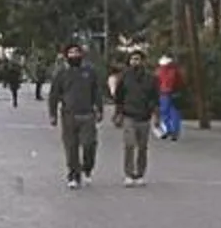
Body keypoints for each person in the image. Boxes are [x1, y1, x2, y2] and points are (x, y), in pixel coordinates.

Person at [47, 42, 105, 189]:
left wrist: (99, 109)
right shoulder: (61, 73)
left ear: (81, 54)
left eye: (76, 52)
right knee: (71, 147)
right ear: (67, 55)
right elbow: (54, 94)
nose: (74, 55)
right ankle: (73, 174)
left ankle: (87, 168)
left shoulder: (89, 71)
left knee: (89, 144)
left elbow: (97, 92)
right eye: (71, 53)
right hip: (68, 115)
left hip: (87, 114)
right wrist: (52, 114)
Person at [113, 50, 158, 186]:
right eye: (132, 59)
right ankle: (128, 174)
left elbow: (155, 98)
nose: (135, 62)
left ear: (143, 61)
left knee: (143, 147)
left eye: (138, 59)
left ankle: (140, 174)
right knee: (129, 144)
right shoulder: (124, 77)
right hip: (129, 115)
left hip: (144, 116)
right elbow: (118, 97)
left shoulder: (151, 78)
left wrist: (156, 115)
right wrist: (118, 114)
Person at [156, 54, 184, 141]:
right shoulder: (175, 70)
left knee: (166, 113)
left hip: (164, 93)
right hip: (172, 93)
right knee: (173, 112)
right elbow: (181, 82)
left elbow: (157, 82)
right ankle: (173, 131)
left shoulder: (160, 71)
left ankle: (168, 130)